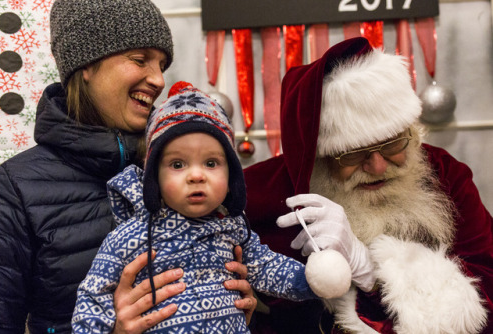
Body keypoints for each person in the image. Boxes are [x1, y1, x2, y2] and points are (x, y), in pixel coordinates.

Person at [0, 1, 254, 333]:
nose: (159, 79)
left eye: (162, 64)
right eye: (140, 60)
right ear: (86, 65)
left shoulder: (181, 169)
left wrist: (232, 309)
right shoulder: (13, 190)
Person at [244, 37, 493, 333]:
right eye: (353, 154)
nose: (377, 167)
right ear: (319, 160)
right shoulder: (262, 193)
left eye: (392, 144)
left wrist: (372, 272)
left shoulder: (445, 174)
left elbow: (487, 284)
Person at [71, 82, 321, 333]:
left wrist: (315, 280)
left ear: (231, 174)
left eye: (211, 163)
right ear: (153, 175)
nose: (196, 176)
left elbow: (266, 267)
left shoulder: (234, 229)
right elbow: (94, 295)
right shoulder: (129, 236)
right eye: (178, 164)